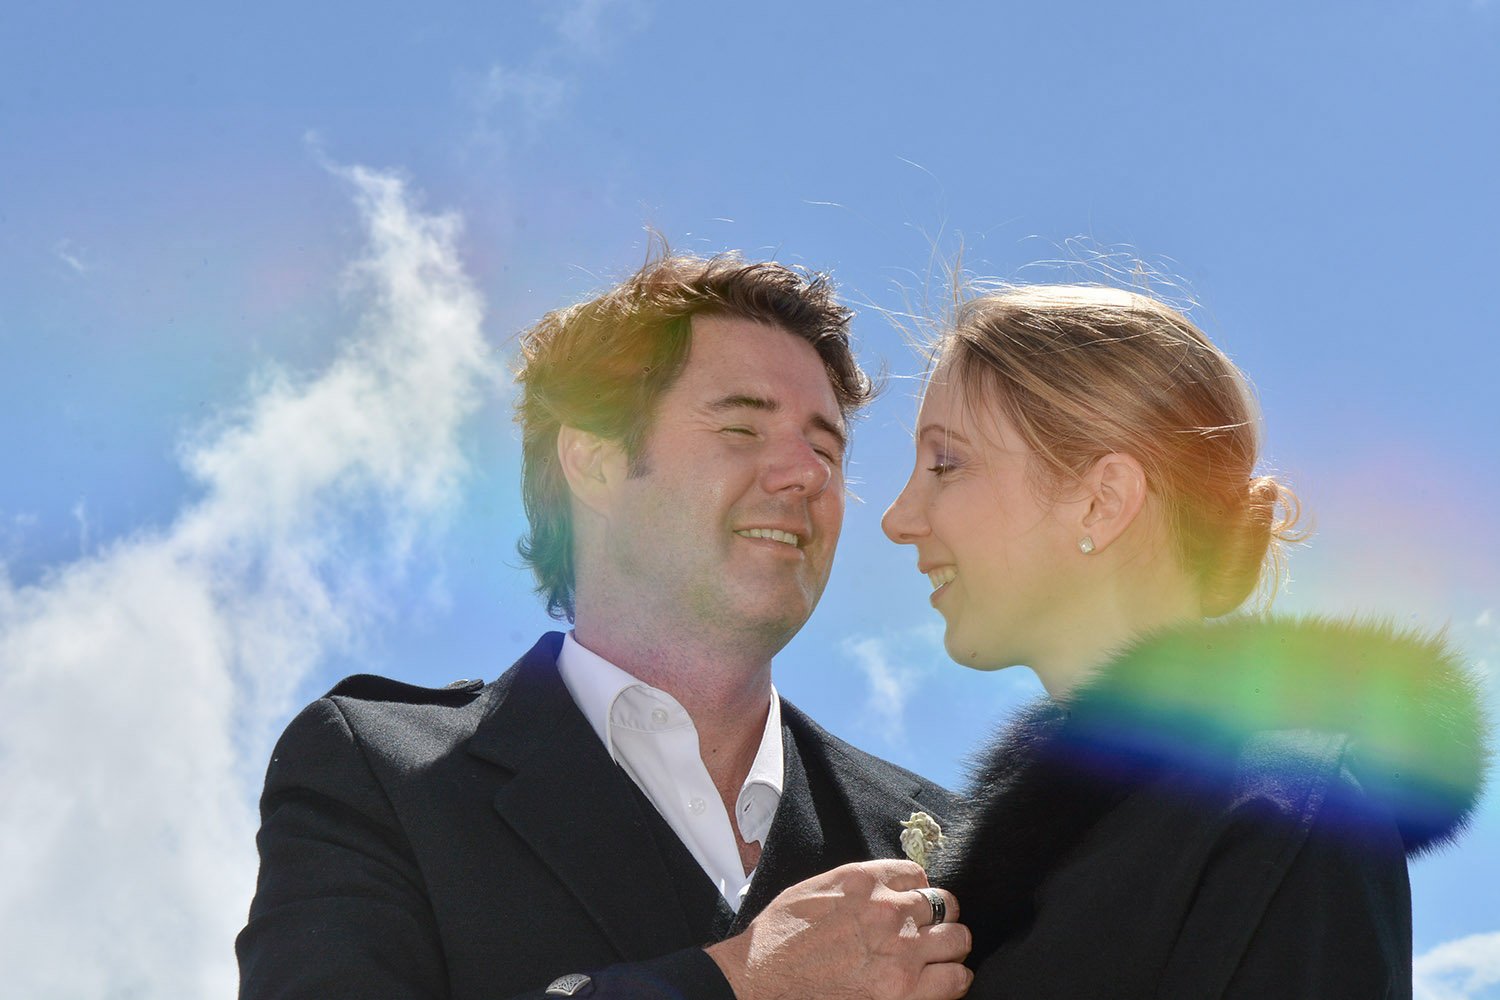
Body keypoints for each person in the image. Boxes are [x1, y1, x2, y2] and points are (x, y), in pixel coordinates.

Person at [237, 250, 973, 1000]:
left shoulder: (948, 839)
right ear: (592, 463)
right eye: (741, 429)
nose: (808, 473)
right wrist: (741, 983)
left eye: (825, 448)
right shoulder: (380, 775)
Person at [881, 283, 1489, 997]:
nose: (898, 518)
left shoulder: (1289, 820)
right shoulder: (1026, 845)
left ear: (1101, 501)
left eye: (945, 464)